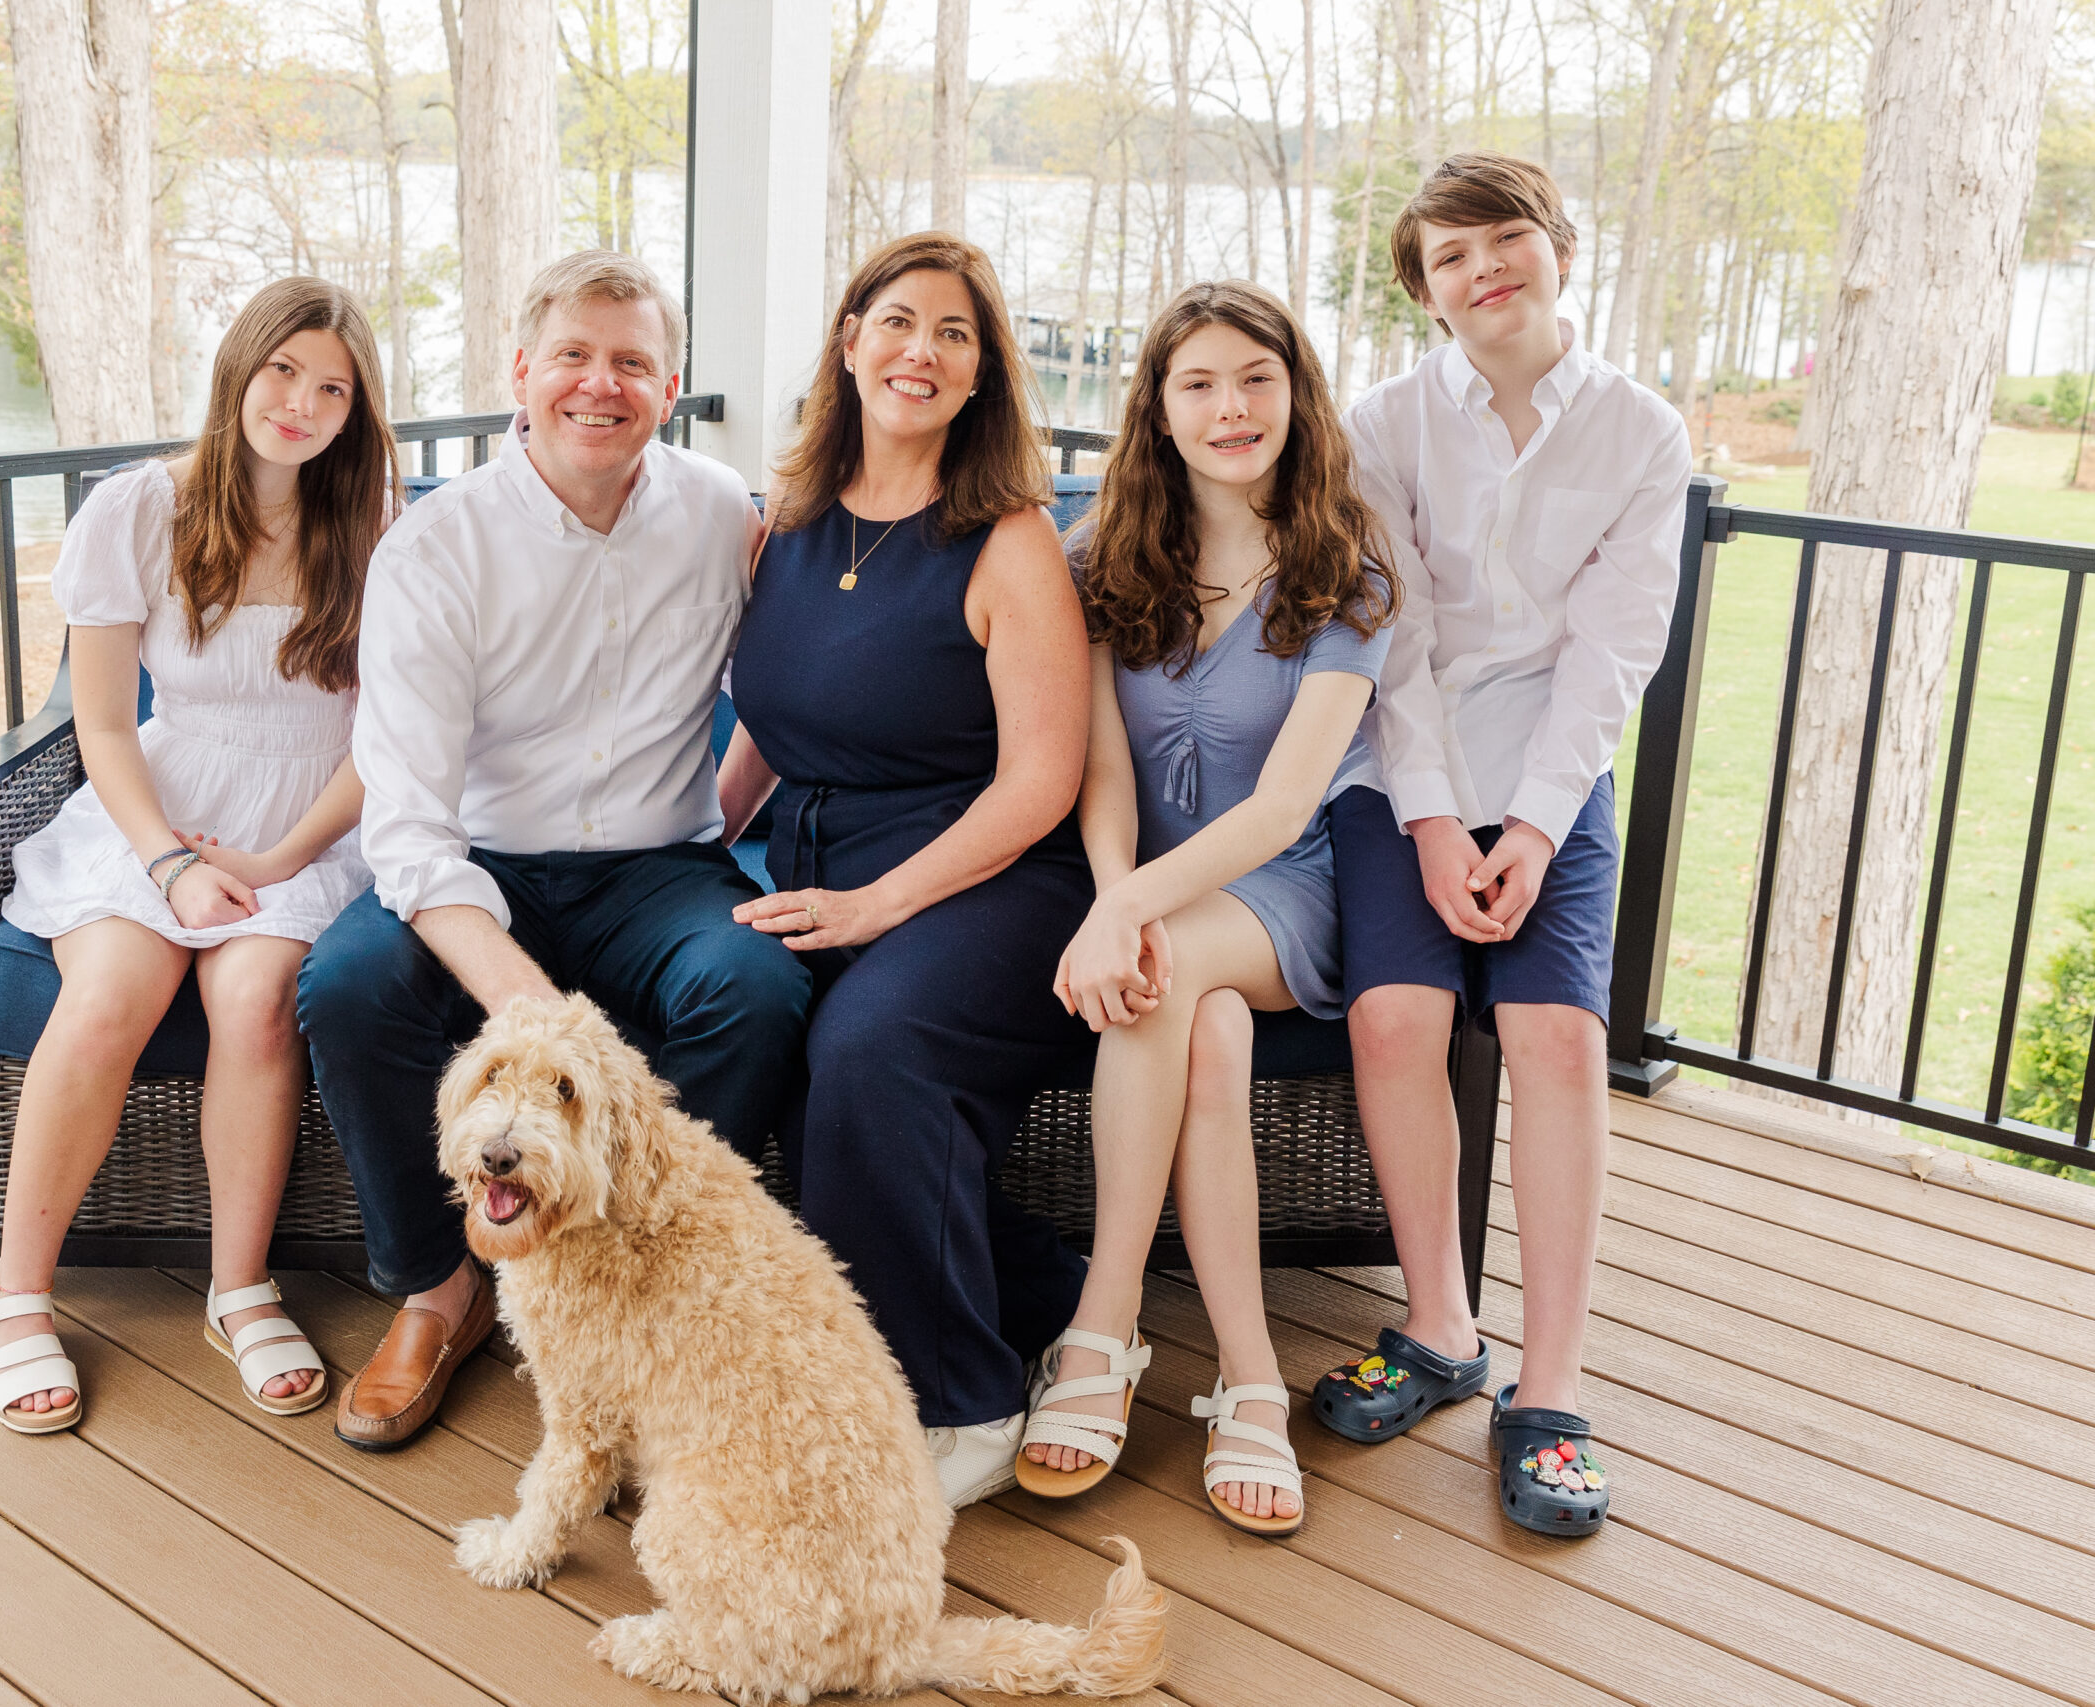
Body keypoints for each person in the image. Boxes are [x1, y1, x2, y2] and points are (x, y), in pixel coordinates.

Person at [299, 250, 813, 1453]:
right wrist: (543, 1021)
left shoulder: (720, 513)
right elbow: (411, 828)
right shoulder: (435, 551)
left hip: (655, 868)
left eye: (632, 362)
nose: (601, 384)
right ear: (520, 373)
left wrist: (731, 816)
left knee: (755, 986)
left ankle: (650, 1276)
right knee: (346, 985)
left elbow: (790, 695)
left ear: (670, 385)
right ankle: (440, 1289)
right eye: (573, 356)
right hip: (477, 872)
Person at [1315, 151, 1689, 1537]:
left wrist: (1533, 823)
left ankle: (1550, 1382)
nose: (1485, 270)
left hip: (1552, 769)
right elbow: (1389, 633)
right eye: (1452, 255)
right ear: (1425, 291)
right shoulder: (1384, 421)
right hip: (1398, 767)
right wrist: (1426, 817)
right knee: (1399, 1018)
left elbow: (1612, 650)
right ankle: (1438, 1328)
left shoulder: (1643, 434)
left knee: (1559, 1039)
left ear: (1558, 250)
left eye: (1505, 240)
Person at [1015, 281, 1398, 1536]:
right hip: (1160, 898)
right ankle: (1248, 1381)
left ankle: (1102, 1325)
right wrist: (1117, 893)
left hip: (1290, 890)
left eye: (1255, 379)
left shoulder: (1347, 563)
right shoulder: (1098, 555)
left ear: (1296, 394)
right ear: (1158, 407)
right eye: (1199, 384)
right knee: (1207, 1035)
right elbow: (1103, 770)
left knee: (1168, 974)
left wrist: (1120, 916)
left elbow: (1286, 809)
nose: (1230, 408)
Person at [721, 231, 1095, 1509]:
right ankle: (1046, 1300)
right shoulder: (784, 521)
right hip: (815, 857)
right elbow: (779, 717)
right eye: (896, 322)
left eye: (952, 333)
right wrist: (707, 840)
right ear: (848, 342)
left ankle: (962, 1408)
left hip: (994, 877)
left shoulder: (1006, 540)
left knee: (869, 1055)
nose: (918, 352)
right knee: (743, 1027)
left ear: (983, 372)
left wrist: (881, 904)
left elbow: (1042, 779)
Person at [0, 277, 392, 1434]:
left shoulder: (375, 527)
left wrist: (273, 858)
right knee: (110, 993)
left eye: (332, 388)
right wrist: (169, 863)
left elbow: (383, 742)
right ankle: (18, 1293)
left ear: (357, 411)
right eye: (282, 372)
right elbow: (103, 726)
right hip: (155, 809)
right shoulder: (138, 509)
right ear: (239, 366)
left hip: (310, 819)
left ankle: (238, 1286)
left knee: (260, 997)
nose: (301, 403)